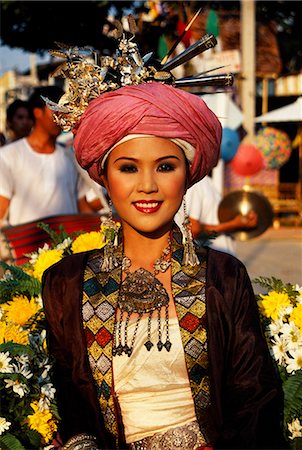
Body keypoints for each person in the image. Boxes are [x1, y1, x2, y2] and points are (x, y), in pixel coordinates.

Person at [42, 78, 287, 449]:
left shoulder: (222, 276)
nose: (147, 186)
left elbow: (257, 399)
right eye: (128, 168)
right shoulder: (66, 282)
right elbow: (69, 401)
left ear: (187, 177)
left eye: (165, 167)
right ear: (104, 177)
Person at [0, 86, 93, 228]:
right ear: (38, 112)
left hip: (70, 244)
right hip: (27, 246)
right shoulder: (8, 156)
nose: (62, 117)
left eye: (65, 111)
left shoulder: (71, 157)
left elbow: (82, 205)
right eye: (57, 111)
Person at [175, 175, 258, 255]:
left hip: (223, 259)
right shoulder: (197, 183)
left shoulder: (208, 182)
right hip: (211, 261)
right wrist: (233, 224)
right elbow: (193, 231)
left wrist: (242, 223)